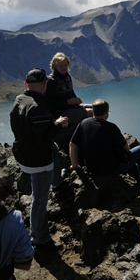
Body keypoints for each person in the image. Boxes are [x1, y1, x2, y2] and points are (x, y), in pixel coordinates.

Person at [9, 68, 68, 249]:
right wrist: (58, 124)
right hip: (38, 161)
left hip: (23, 154)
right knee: (40, 199)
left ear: (26, 85)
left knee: (55, 148)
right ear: (44, 85)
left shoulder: (20, 99)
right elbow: (45, 136)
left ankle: (57, 180)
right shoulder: (39, 106)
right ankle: (40, 239)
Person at [69, 99, 140, 189]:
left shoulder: (83, 123)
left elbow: (72, 144)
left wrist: (75, 165)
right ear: (107, 113)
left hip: (92, 169)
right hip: (112, 170)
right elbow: (126, 148)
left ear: (93, 111)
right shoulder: (111, 127)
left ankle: (137, 177)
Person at [46, 52, 91, 184]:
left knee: (98, 107)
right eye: (61, 65)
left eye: (65, 64)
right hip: (61, 113)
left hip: (71, 107)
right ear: (55, 66)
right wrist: (68, 102)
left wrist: (76, 101)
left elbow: (70, 94)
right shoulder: (52, 81)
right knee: (90, 113)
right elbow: (50, 104)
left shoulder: (67, 77)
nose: (64, 67)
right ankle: (91, 137)